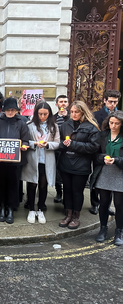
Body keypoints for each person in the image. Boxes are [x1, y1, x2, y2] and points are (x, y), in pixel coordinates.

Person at [58, 100, 100, 229]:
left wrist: (73, 144)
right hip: (66, 163)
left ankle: (76, 216)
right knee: (67, 190)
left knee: (77, 191)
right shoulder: (66, 125)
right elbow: (59, 142)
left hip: (81, 165)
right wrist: (63, 145)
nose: (73, 114)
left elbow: (94, 147)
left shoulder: (91, 127)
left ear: (83, 112)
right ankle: (68, 214)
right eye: (71, 112)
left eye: (76, 112)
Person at [22, 101, 60, 224]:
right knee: (32, 183)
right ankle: (31, 209)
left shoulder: (54, 126)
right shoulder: (30, 125)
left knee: (43, 185)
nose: (43, 116)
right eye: (40, 114)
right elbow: (25, 141)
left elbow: (57, 143)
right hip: (34, 158)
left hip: (47, 159)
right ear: (36, 113)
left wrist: (48, 144)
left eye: (45, 114)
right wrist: (35, 144)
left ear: (49, 114)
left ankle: (40, 208)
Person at [0, 97, 30, 224]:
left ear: (16, 110)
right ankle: (2, 208)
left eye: (13, 110)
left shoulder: (22, 122)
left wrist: (24, 145)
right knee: (0, 184)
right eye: (8, 110)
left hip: (15, 161)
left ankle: (11, 209)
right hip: (1, 161)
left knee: (14, 185)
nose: (10, 112)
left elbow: (25, 139)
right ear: (4, 110)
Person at [91, 111, 123, 245]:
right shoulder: (102, 135)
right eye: (111, 123)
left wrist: (116, 160)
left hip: (119, 174)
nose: (113, 126)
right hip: (104, 173)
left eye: (117, 123)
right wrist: (102, 158)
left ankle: (119, 231)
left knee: (119, 205)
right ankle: (102, 229)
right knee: (103, 203)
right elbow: (95, 154)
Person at [90, 90, 121, 215]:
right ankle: (94, 204)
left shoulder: (120, 115)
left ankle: (106, 205)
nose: (112, 104)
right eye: (110, 101)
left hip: (116, 152)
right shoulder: (97, 115)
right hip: (101, 148)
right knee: (96, 178)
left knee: (112, 183)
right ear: (104, 101)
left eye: (115, 102)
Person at [53, 94, 69, 203]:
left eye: (65, 101)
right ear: (57, 104)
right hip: (56, 148)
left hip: (67, 148)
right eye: (61, 101)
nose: (63, 103)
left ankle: (66, 195)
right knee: (56, 171)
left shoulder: (70, 117)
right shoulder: (53, 117)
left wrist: (66, 117)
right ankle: (58, 192)